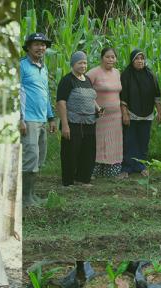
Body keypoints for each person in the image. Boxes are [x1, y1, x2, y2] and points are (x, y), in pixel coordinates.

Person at [19, 32, 55, 205]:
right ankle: (25, 197)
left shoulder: (43, 68)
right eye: (37, 44)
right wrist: (20, 118)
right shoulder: (22, 66)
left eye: (43, 45)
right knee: (30, 156)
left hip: (41, 118)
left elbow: (45, 94)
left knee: (39, 157)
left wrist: (51, 117)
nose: (41, 48)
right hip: (28, 119)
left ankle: (31, 194)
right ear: (28, 47)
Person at [57, 51, 99, 187]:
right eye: (80, 63)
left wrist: (98, 109)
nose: (83, 65)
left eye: (85, 63)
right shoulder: (67, 80)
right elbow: (61, 103)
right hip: (72, 122)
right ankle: (68, 182)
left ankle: (83, 179)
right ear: (73, 64)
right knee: (70, 152)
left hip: (89, 122)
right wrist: (64, 125)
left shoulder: (87, 80)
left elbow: (91, 98)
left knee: (88, 152)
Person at [119, 49, 161, 178]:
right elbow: (123, 97)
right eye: (137, 59)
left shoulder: (150, 75)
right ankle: (127, 168)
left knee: (143, 141)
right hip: (131, 114)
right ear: (132, 61)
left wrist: (159, 112)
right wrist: (125, 113)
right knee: (129, 141)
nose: (140, 61)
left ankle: (141, 166)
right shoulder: (126, 75)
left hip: (147, 114)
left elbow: (157, 96)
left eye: (142, 58)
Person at [86, 48, 124, 178]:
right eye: (108, 57)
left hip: (116, 116)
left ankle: (112, 170)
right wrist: (96, 107)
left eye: (113, 57)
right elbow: (85, 90)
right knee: (100, 141)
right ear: (102, 58)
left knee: (114, 142)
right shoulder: (93, 73)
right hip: (100, 115)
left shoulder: (117, 72)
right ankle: (95, 169)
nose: (110, 59)